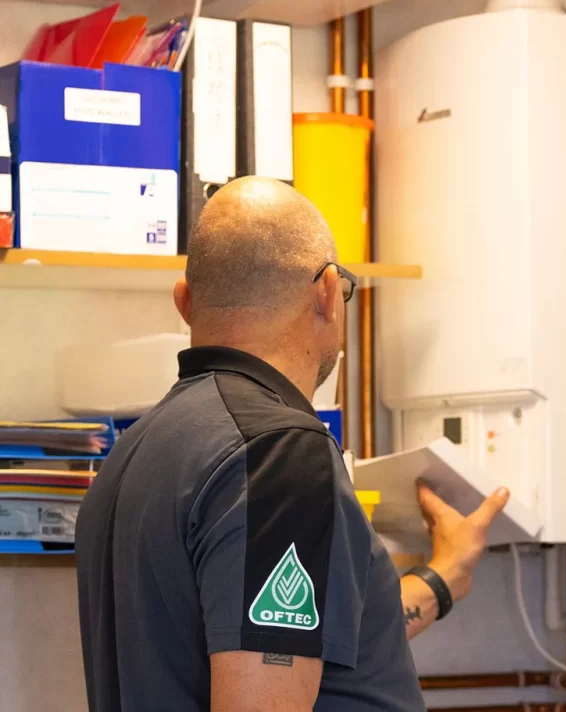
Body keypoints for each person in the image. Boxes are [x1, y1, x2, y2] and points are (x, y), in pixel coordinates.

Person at [76, 176, 510, 712]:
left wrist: (441, 580)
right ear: (329, 292)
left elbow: (290, 645)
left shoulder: (132, 452)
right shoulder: (279, 455)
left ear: (184, 302)